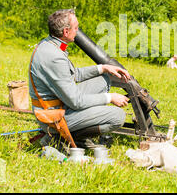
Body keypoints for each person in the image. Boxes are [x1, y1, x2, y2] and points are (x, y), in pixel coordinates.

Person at [29, 9, 131, 149]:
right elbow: (76, 102)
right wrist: (110, 98)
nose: (77, 31)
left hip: (61, 102)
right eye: (76, 28)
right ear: (66, 32)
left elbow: (71, 75)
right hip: (54, 115)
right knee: (118, 116)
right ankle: (60, 138)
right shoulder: (54, 57)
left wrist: (103, 68)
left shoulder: (49, 44)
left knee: (104, 79)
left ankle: (79, 126)